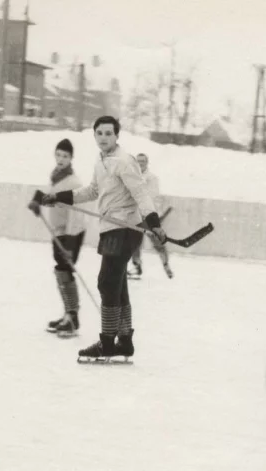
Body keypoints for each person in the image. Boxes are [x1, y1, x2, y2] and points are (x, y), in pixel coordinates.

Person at [36, 115, 165, 363]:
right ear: (94, 136)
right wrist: (59, 197)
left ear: (117, 135)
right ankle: (124, 341)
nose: (104, 137)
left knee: (107, 282)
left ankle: (107, 342)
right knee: (117, 285)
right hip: (111, 228)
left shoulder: (124, 162)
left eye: (109, 133)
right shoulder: (101, 160)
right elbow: (92, 191)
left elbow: (141, 192)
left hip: (124, 227)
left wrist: (154, 221)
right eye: (100, 133)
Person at [42, 138, 86, 337]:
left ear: (71, 158)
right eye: (58, 155)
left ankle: (73, 318)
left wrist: (69, 244)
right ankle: (68, 314)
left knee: (65, 271)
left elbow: (75, 215)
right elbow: (52, 197)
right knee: (60, 271)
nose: (61, 159)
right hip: (58, 231)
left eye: (65, 156)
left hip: (71, 233)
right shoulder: (56, 176)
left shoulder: (73, 182)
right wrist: (38, 201)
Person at [129, 153, 173, 280]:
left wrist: (152, 217)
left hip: (149, 216)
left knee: (158, 243)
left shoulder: (152, 178)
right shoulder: (132, 178)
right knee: (134, 243)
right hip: (136, 216)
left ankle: (166, 265)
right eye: (138, 161)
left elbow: (153, 197)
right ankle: (137, 267)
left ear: (146, 163)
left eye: (142, 161)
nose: (140, 163)